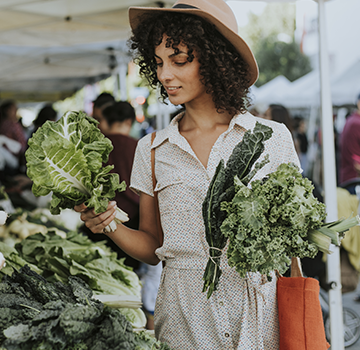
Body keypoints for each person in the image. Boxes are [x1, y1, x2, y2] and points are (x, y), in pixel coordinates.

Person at [75, 1, 300, 348]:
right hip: (184, 321)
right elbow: (152, 246)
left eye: (179, 60)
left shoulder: (273, 139)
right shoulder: (151, 148)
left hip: (257, 319)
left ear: (216, 59)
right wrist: (110, 224)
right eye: (159, 63)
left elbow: (293, 236)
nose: (165, 75)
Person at [339, 93, 360, 192]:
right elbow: (356, 162)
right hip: (354, 181)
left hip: (350, 180)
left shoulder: (352, 120)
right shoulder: (356, 123)